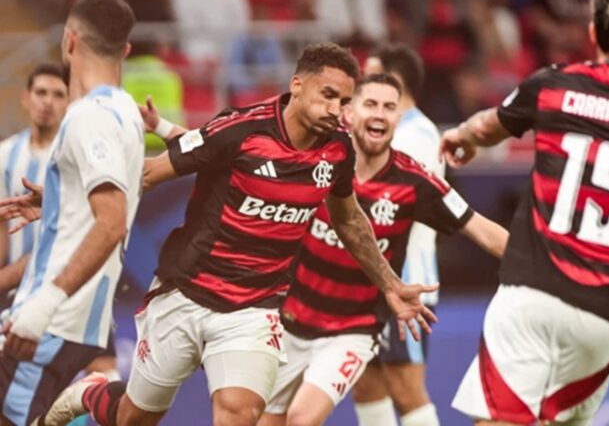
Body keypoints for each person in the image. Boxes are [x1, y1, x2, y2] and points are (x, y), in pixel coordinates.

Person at [39, 43, 437, 426]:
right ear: (297, 85)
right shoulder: (240, 129)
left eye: (344, 101)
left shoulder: (337, 151)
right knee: (133, 418)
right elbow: (148, 173)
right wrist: (65, 195)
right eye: (328, 95)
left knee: (240, 413)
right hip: (187, 291)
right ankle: (89, 394)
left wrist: (390, 284)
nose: (336, 110)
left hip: (255, 308)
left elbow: (348, 219)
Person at [442, 0, 609, 425]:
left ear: (594, 33)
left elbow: (487, 127)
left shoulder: (555, 85)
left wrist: (460, 137)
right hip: (604, 317)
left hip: (533, 296)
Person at [258, 73, 508, 426]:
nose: (379, 114)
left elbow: (482, 229)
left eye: (389, 107)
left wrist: (543, 267)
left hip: (352, 331)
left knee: (301, 419)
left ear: (397, 119)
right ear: (349, 113)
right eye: (371, 104)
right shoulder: (316, 158)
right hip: (290, 320)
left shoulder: (414, 181)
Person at [0, 0, 143, 426]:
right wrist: (60, 203)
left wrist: (43, 306)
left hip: (53, 319)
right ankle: (76, 401)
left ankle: (80, 400)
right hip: (73, 317)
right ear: (125, 50)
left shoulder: (88, 117)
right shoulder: (126, 112)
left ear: (69, 40)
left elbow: (112, 222)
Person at [354, 43, 445, 426]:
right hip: (366, 279)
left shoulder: (417, 135)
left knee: (406, 388)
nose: (362, 79)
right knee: (366, 383)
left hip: (406, 280)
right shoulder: (379, 131)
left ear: (393, 81)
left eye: (371, 73)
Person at [0, 64, 69, 312]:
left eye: (58, 94)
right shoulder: (5, 154)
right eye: (41, 92)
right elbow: (2, 224)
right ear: (26, 98)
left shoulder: (74, 155)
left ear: (68, 103)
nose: (48, 102)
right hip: (14, 295)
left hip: (63, 293)